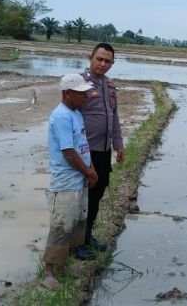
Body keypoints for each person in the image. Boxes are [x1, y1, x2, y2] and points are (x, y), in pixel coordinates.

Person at [42, 74, 99, 290]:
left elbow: (83, 145)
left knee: (76, 223)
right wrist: (88, 172)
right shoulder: (61, 117)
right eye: (81, 93)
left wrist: (91, 170)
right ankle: (48, 273)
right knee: (61, 225)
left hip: (80, 178)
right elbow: (68, 152)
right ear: (67, 93)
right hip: (66, 180)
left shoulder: (76, 114)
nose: (86, 97)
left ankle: (62, 266)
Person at [78, 42, 125, 253]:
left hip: (104, 152)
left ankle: (87, 238)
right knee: (82, 199)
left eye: (108, 61)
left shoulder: (109, 86)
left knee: (96, 197)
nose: (103, 64)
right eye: (100, 59)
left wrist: (119, 144)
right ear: (91, 58)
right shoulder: (79, 85)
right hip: (85, 152)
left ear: (112, 64)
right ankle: (77, 243)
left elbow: (114, 117)